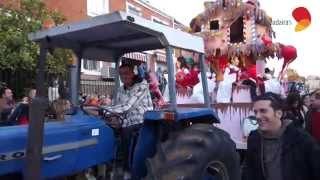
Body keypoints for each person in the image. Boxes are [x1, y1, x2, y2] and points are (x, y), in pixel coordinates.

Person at [242, 92, 320, 180]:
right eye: (255, 112)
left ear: (279, 113)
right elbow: (249, 169)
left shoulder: (300, 139)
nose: (258, 116)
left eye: (263, 111)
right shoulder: (254, 138)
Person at [101, 63, 153, 178]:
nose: (123, 76)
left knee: (126, 131)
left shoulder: (142, 86)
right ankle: (108, 165)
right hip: (124, 120)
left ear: (133, 74)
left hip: (141, 120)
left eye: (126, 73)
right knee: (106, 129)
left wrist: (103, 110)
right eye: (121, 74)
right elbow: (116, 106)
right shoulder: (120, 90)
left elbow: (127, 107)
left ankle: (126, 169)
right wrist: (106, 111)